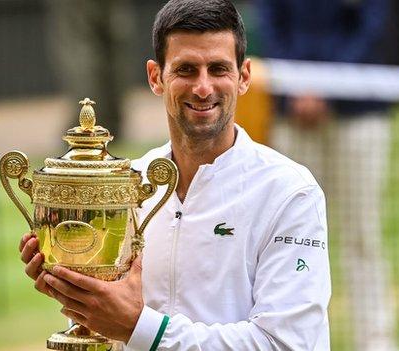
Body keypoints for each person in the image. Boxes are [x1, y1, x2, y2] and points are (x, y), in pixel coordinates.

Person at [20, 0, 331, 349]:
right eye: (186, 70)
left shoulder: (290, 192)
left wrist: (140, 328)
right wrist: (72, 283)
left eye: (218, 69)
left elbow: (287, 343)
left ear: (243, 78)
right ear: (156, 77)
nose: (203, 87)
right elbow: (108, 320)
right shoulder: (122, 185)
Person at [254, 1, 396, 350]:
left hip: (358, 110)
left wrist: (326, 86)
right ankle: (291, 339)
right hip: (293, 112)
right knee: (288, 238)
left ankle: (376, 341)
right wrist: (297, 86)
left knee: (362, 233)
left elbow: (371, 26)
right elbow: (270, 27)